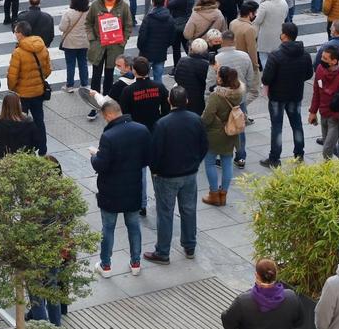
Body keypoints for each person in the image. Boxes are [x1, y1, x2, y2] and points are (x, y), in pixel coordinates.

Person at [143, 86, 207, 265]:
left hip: (166, 175)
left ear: (169, 101)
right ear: (187, 101)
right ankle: (189, 245)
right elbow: (204, 146)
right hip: (189, 173)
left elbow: (155, 151)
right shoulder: (196, 119)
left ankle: (163, 251)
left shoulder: (162, 123)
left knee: (165, 213)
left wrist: (154, 170)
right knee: (188, 209)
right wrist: (195, 163)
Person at [90, 99, 150, 278]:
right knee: (133, 225)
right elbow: (147, 158)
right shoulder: (141, 130)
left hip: (111, 191)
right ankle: (136, 262)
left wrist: (95, 156)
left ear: (108, 115)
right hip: (133, 187)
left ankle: (106, 265)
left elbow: (101, 165)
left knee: (108, 228)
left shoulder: (109, 136)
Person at [220, 258, 303, 329]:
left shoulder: (243, 301)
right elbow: (299, 322)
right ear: (276, 274)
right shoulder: (291, 298)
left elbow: (228, 324)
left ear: (257, 275)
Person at [260, 22, 313, 167]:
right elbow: (309, 74)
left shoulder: (276, 56)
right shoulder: (305, 54)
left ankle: (274, 158)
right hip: (296, 94)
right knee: (296, 124)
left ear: (284, 35)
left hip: (277, 96)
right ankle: (299, 154)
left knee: (277, 126)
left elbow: (266, 79)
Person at [7, 21, 52, 154]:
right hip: (38, 92)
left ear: (20, 34)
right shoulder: (42, 47)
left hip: (23, 94)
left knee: (22, 123)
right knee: (39, 121)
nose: (15, 34)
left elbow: (12, 76)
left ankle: (26, 149)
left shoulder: (18, 52)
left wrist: (12, 88)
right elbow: (48, 70)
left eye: (15, 32)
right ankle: (42, 149)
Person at [201, 66, 242, 207]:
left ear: (221, 79)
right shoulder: (238, 93)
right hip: (231, 132)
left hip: (214, 134)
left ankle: (213, 194)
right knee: (227, 162)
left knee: (210, 162)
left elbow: (207, 117)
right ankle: (223, 194)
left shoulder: (216, 96)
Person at [87, 0, 134, 98]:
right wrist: (92, 39)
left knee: (109, 75)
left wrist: (123, 41)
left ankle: (107, 100)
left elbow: (128, 25)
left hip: (115, 47)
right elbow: (88, 22)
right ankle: (95, 103)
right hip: (99, 46)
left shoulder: (123, 6)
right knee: (96, 75)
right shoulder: (95, 5)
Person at [310, 46, 339, 159]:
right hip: (323, 113)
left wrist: (338, 116)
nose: (322, 60)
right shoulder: (320, 69)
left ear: (334, 61)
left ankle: (328, 171)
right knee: (328, 145)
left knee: (326, 148)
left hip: (335, 117)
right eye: (322, 57)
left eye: (325, 58)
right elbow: (316, 91)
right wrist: (313, 112)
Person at [0, 92, 39, 158]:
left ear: (4, 106)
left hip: (3, 160)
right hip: (24, 159)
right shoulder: (28, 122)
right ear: (19, 105)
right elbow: (37, 143)